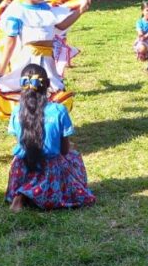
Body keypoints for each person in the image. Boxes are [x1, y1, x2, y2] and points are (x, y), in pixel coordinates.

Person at [5, 64, 95, 211]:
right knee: (74, 158)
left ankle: (21, 191)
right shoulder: (59, 110)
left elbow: (22, 141)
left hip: (21, 168)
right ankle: (29, 193)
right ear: (47, 84)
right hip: (49, 169)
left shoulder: (16, 112)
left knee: (32, 161)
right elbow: (64, 150)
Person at [0, 0, 88, 99]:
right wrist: (1, 69)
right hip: (30, 60)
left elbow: (60, 26)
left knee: (54, 91)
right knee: (32, 92)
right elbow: (10, 43)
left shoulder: (46, 8)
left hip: (48, 58)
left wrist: (80, 11)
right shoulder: (16, 12)